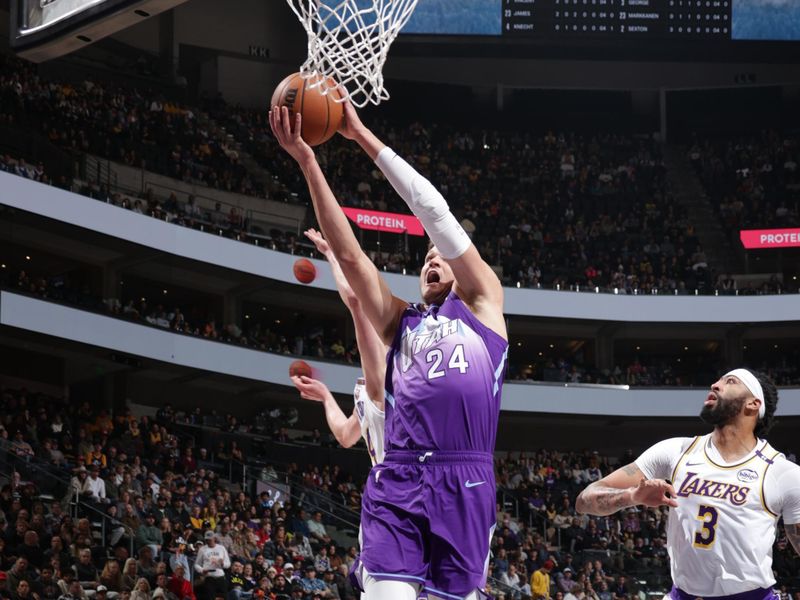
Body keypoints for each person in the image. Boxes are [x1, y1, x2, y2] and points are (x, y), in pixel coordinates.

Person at [270, 100, 507, 600]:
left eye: (439, 254)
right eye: (424, 258)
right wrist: (309, 164)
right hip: (397, 476)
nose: (430, 261)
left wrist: (360, 136)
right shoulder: (402, 322)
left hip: (465, 479)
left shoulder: (484, 305)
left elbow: (432, 212)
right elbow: (354, 260)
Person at [576, 368, 800, 599]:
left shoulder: (781, 472)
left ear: (753, 404)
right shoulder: (676, 451)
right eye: (718, 379)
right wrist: (632, 496)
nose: (715, 384)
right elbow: (584, 501)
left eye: (730, 381)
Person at [291, 228, 386, 467]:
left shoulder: (397, 383)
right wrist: (325, 395)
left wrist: (332, 254)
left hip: (412, 490)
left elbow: (355, 300)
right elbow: (345, 435)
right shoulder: (369, 393)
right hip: (388, 490)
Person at [194, 531, 230, 600]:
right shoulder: (202, 549)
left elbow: (228, 564)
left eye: (210, 539)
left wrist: (223, 564)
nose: (208, 541)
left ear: (214, 538)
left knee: (223, 597)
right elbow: (196, 564)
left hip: (220, 577)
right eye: (206, 539)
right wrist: (202, 570)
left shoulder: (221, 548)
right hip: (209, 577)